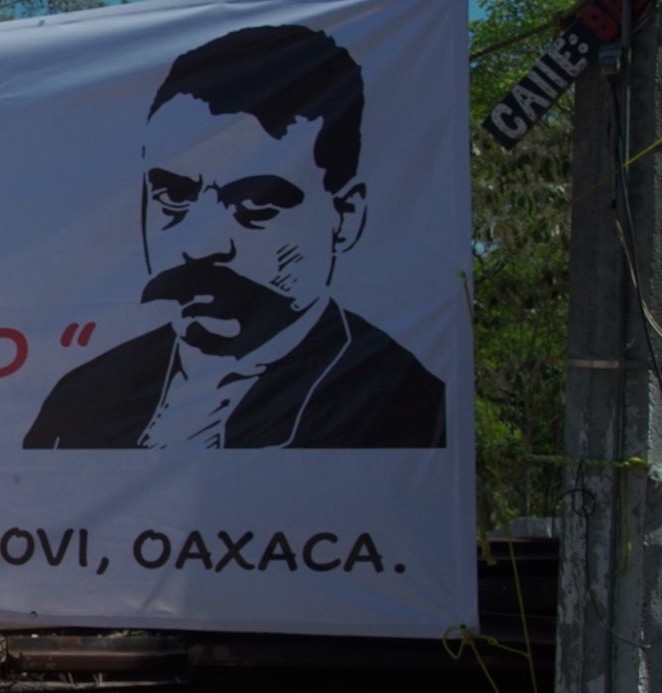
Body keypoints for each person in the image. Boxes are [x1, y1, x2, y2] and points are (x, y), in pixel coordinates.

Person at [23, 23, 445, 449]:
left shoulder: (402, 407)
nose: (201, 246)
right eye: (173, 196)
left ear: (346, 216)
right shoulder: (78, 403)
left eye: (257, 204)